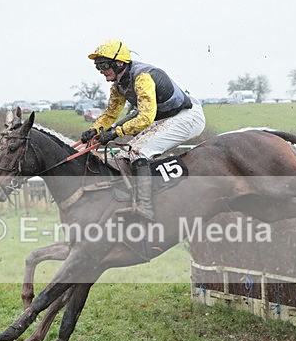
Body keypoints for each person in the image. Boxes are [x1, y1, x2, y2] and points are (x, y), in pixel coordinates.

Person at [81, 39, 205, 220]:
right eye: (97, 66)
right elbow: (110, 114)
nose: (101, 70)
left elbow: (145, 117)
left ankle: (145, 206)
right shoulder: (118, 84)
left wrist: (116, 132)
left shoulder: (142, 78)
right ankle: (131, 197)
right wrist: (94, 129)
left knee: (139, 151)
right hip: (167, 116)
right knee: (122, 154)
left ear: (119, 63)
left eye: (104, 65)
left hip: (188, 116)